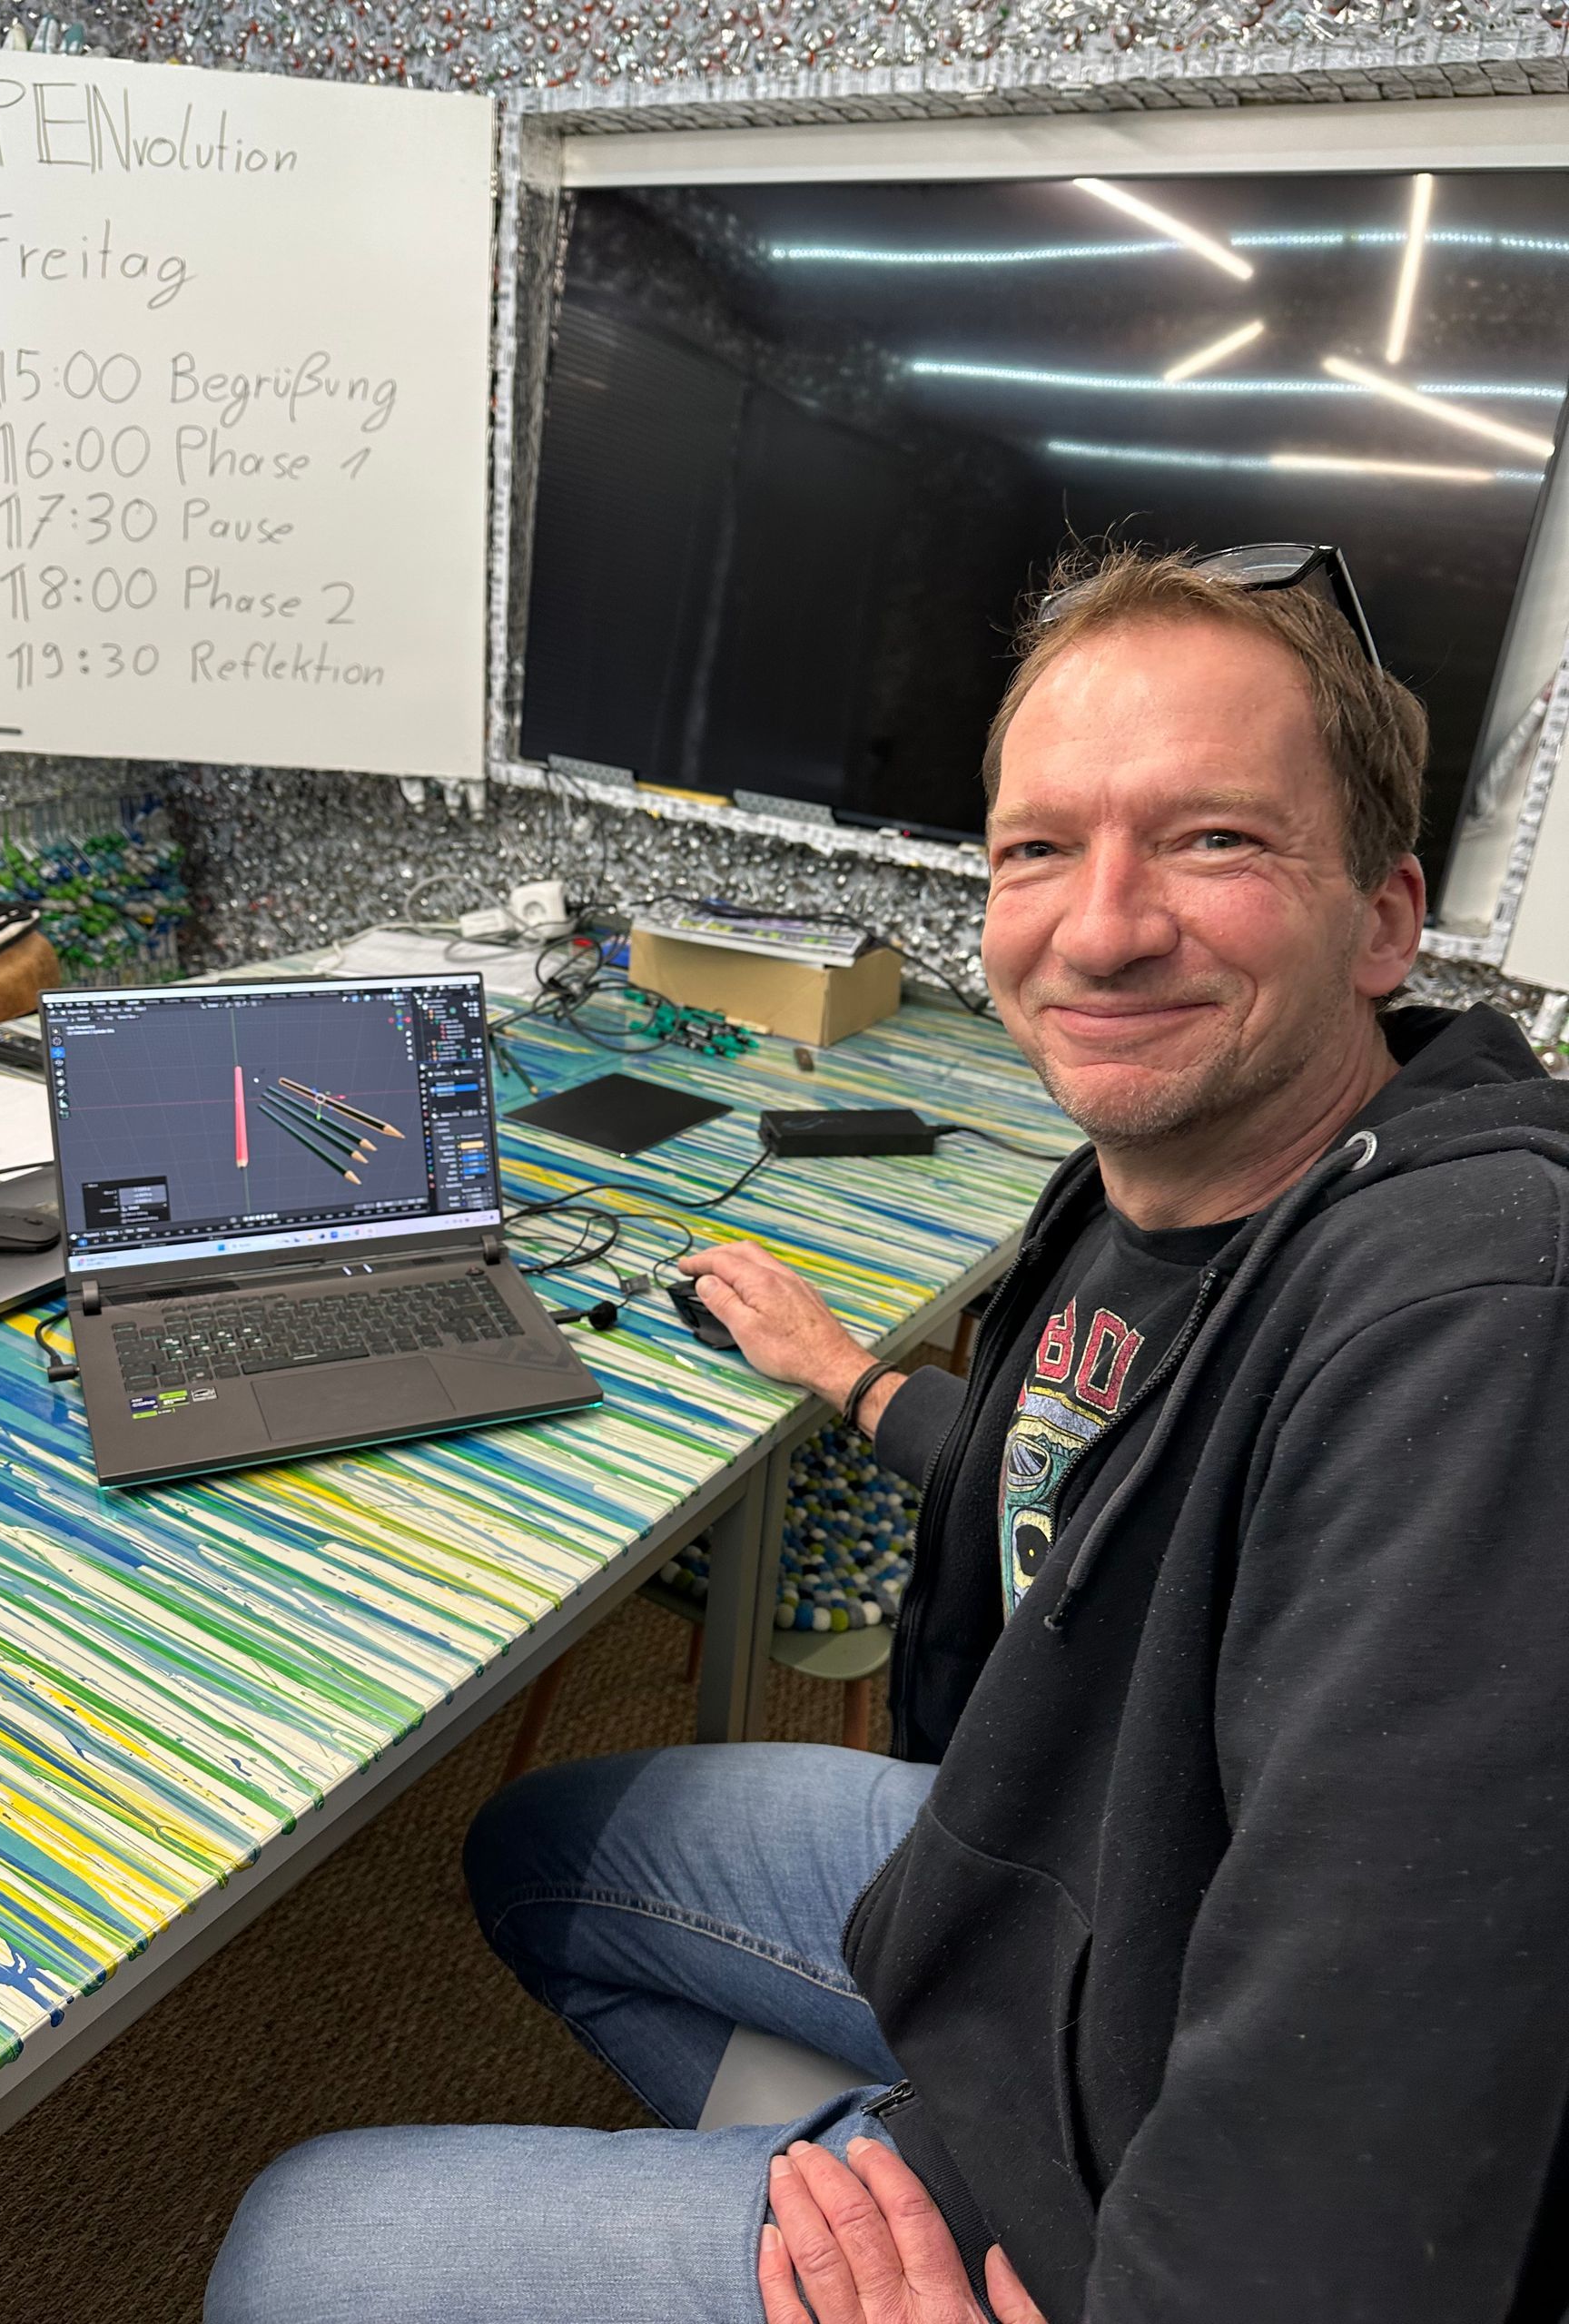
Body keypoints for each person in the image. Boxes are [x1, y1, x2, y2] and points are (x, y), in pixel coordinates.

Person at [202, 545, 1569, 2324]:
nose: (1101, 926)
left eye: (1214, 839)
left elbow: (1374, 2161)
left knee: (291, 2247)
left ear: (1384, 919)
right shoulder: (1170, 1190)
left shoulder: (1473, 1324)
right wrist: (853, 1377)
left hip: (1139, 2158)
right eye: (1039, 847)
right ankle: (866, 2174)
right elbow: (1100, 1491)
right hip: (1074, 1892)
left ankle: (929, 2233)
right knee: (538, 1852)